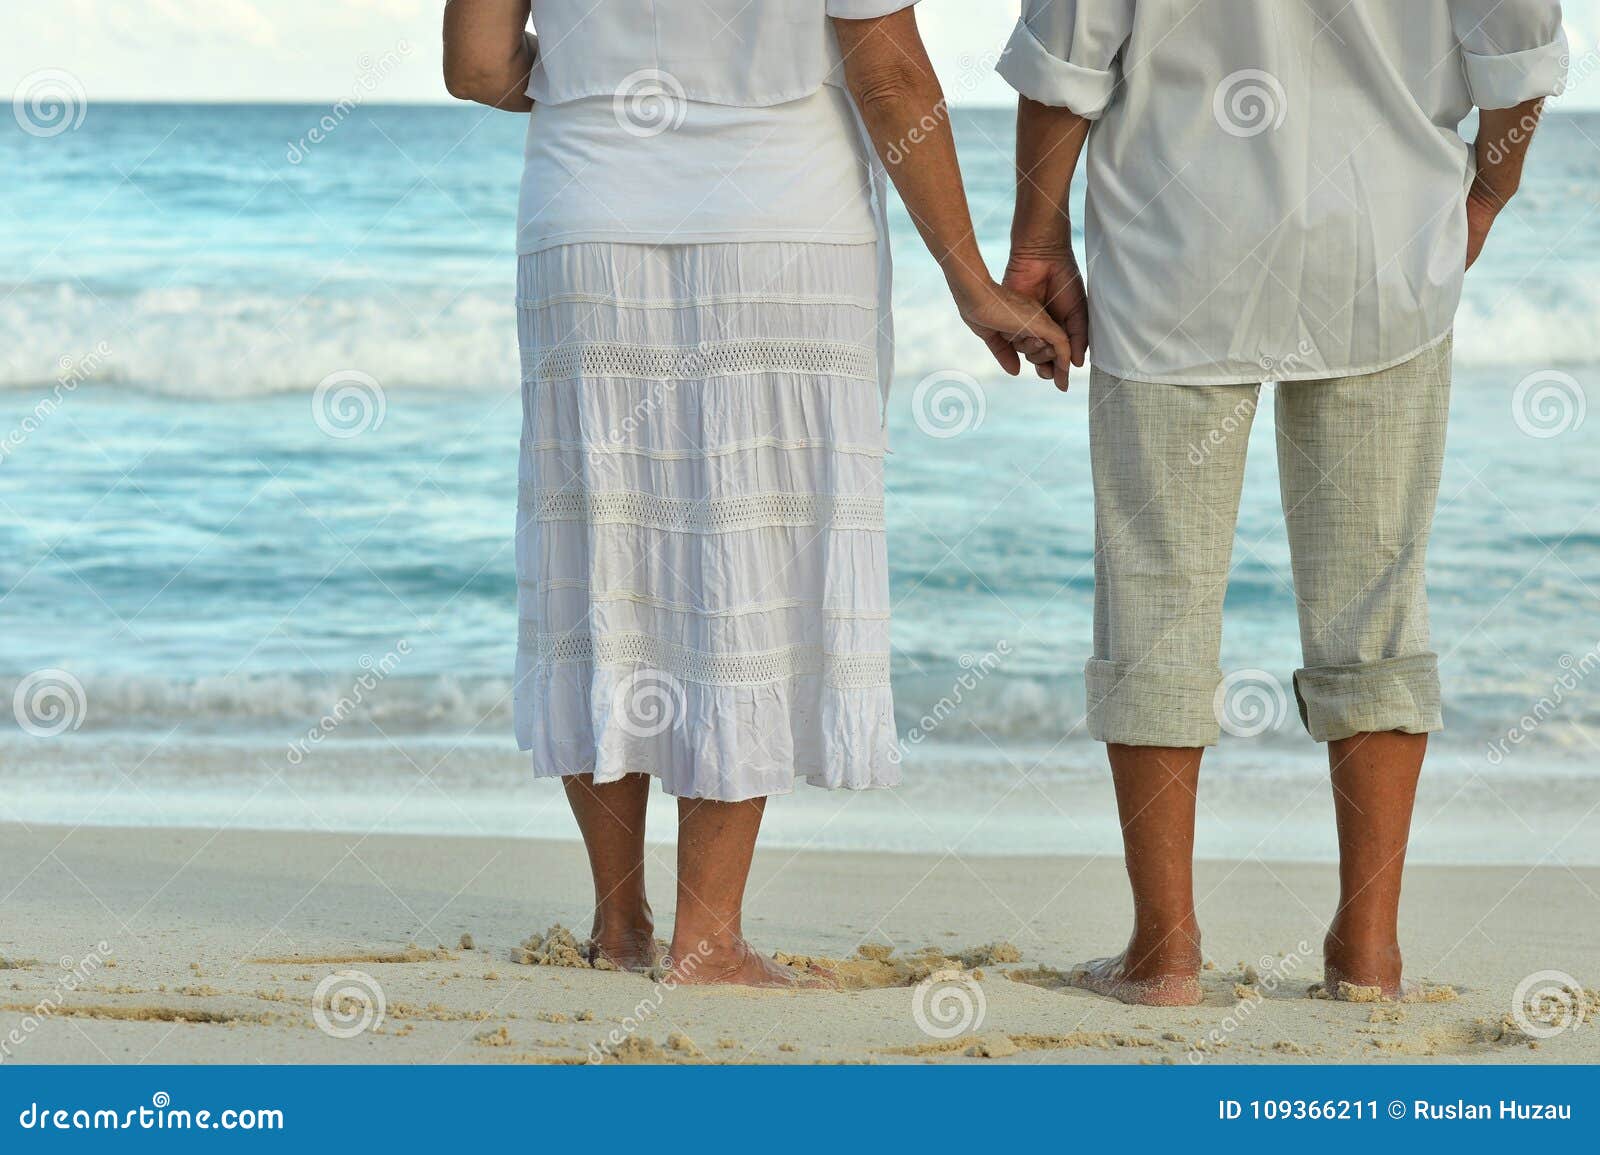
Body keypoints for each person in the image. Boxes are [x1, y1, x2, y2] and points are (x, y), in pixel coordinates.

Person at [443, 0, 1069, 987]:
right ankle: (708, 938)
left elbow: (476, 66)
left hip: (588, 214)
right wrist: (971, 282)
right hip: (781, 223)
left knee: (603, 556)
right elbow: (890, 77)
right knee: (749, 558)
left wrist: (595, 85)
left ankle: (622, 926)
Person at [998, 0, 1567, 1004]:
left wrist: (1038, 232)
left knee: (1154, 591)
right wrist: (1484, 195)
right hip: (1383, 245)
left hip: (1171, 248)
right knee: (1376, 602)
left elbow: (1066, 59)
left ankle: (1164, 955)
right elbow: (1518, 52)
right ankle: (1367, 956)